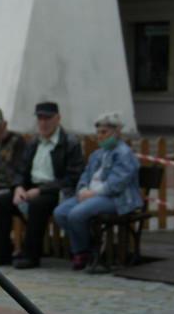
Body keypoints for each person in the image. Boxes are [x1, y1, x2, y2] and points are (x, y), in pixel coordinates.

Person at [0, 101, 84, 269]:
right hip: (31, 189)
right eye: (40, 118)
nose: (43, 123)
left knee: (38, 205)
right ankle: (1, 252)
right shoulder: (34, 143)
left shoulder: (69, 143)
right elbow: (21, 171)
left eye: (48, 118)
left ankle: (30, 254)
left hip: (56, 191)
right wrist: (18, 188)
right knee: (2, 202)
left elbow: (72, 177)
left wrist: (40, 190)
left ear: (58, 119)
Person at [52, 111, 141, 270]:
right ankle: (91, 244)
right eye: (98, 132)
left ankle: (83, 251)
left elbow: (117, 183)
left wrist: (92, 193)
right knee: (60, 212)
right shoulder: (98, 154)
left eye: (104, 132)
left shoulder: (123, 153)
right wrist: (83, 189)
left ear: (116, 133)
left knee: (76, 214)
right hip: (92, 195)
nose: (100, 136)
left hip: (116, 199)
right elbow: (86, 175)